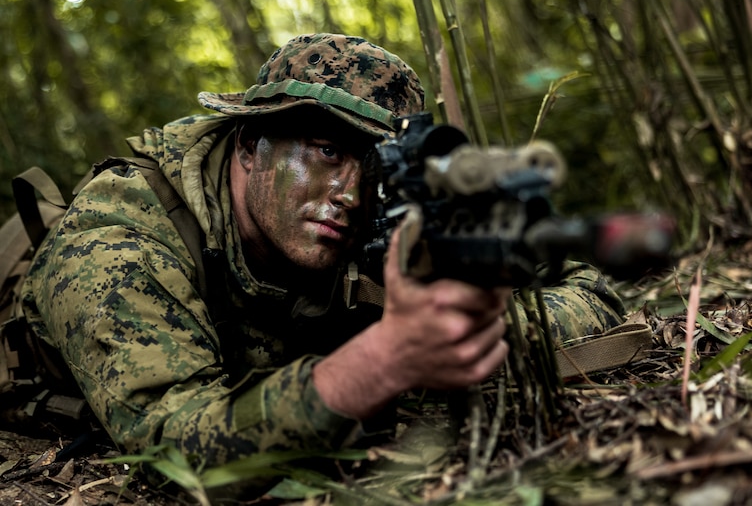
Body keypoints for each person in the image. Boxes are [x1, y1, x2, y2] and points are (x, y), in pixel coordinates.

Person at [21, 33, 624, 469]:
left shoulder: (378, 217)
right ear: (250, 144)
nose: (350, 194)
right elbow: (174, 445)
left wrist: (466, 326)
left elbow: (588, 287)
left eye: (372, 166)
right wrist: (384, 362)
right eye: (326, 152)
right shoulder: (119, 243)